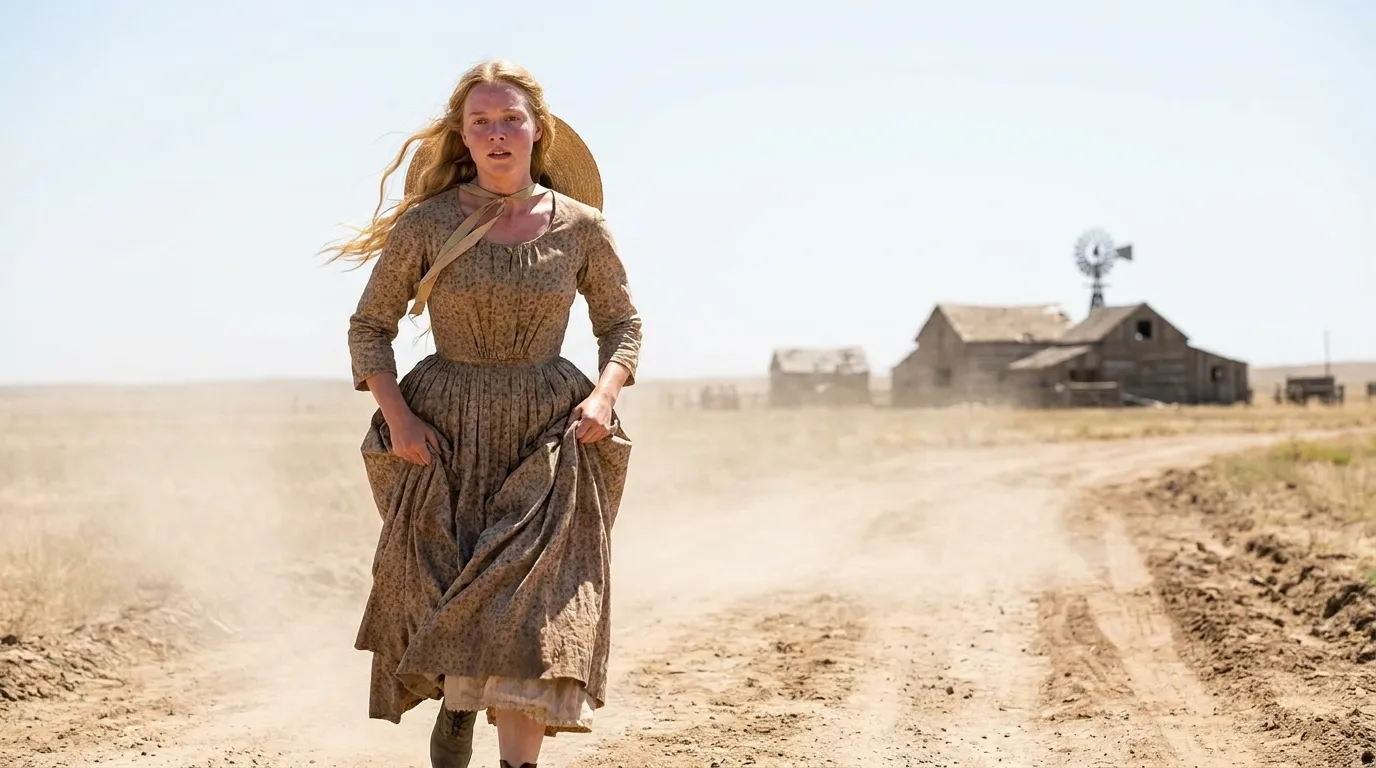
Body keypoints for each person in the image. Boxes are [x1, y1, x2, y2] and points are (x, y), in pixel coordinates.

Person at [323, 59, 642, 768]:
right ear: (463, 137)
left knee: (530, 615)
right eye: (481, 122)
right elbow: (368, 326)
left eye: (510, 120)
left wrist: (603, 394)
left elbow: (623, 324)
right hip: (444, 435)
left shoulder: (583, 229)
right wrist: (400, 420)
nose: (497, 134)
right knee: (458, 597)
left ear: (538, 132)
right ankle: (458, 706)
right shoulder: (429, 224)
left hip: (548, 435)